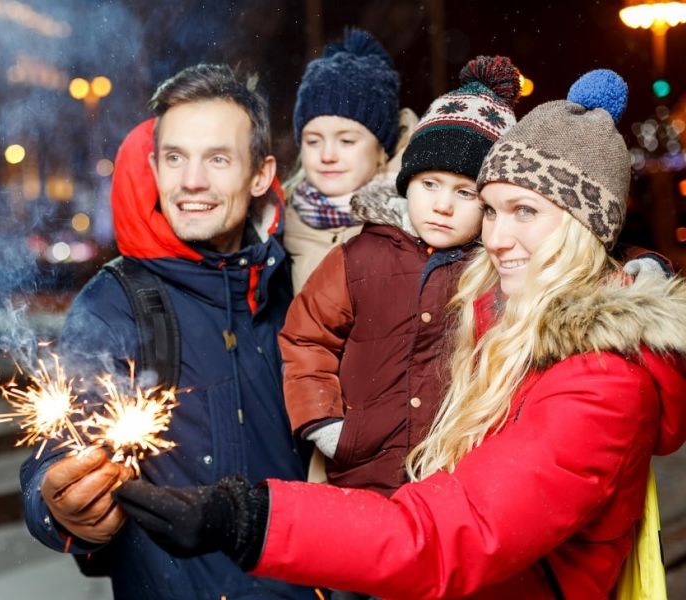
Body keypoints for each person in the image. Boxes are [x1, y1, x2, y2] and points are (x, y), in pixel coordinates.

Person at [115, 69, 686, 599]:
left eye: (525, 212)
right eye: (489, 210)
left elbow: (447, 536)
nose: (497, 237)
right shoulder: (510, 314)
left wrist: (252, 518)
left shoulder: (603, 383)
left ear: (584, 223)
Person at [19, 64, 319, 600]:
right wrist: (58, 510)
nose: (192, 181)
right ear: (154, 167)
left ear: (259, 174)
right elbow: (57, 452)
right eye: (175, 158)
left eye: (218, 159)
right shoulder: (117, 303)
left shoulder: (293, 286)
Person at [281, 56, 521, 497]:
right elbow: (306, 337)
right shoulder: (360, 256)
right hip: (361, 473)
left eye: (464, 192)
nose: (443, 205)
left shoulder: (496, 266)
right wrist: (326, 424)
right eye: (429, 184)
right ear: (407, 183)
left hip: (453, 480)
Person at [284, 27, 415, 294]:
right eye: (313, 141)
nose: (327, 156)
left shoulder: (415, 217)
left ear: (381, 149)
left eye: (346, 141)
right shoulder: (280, 223)